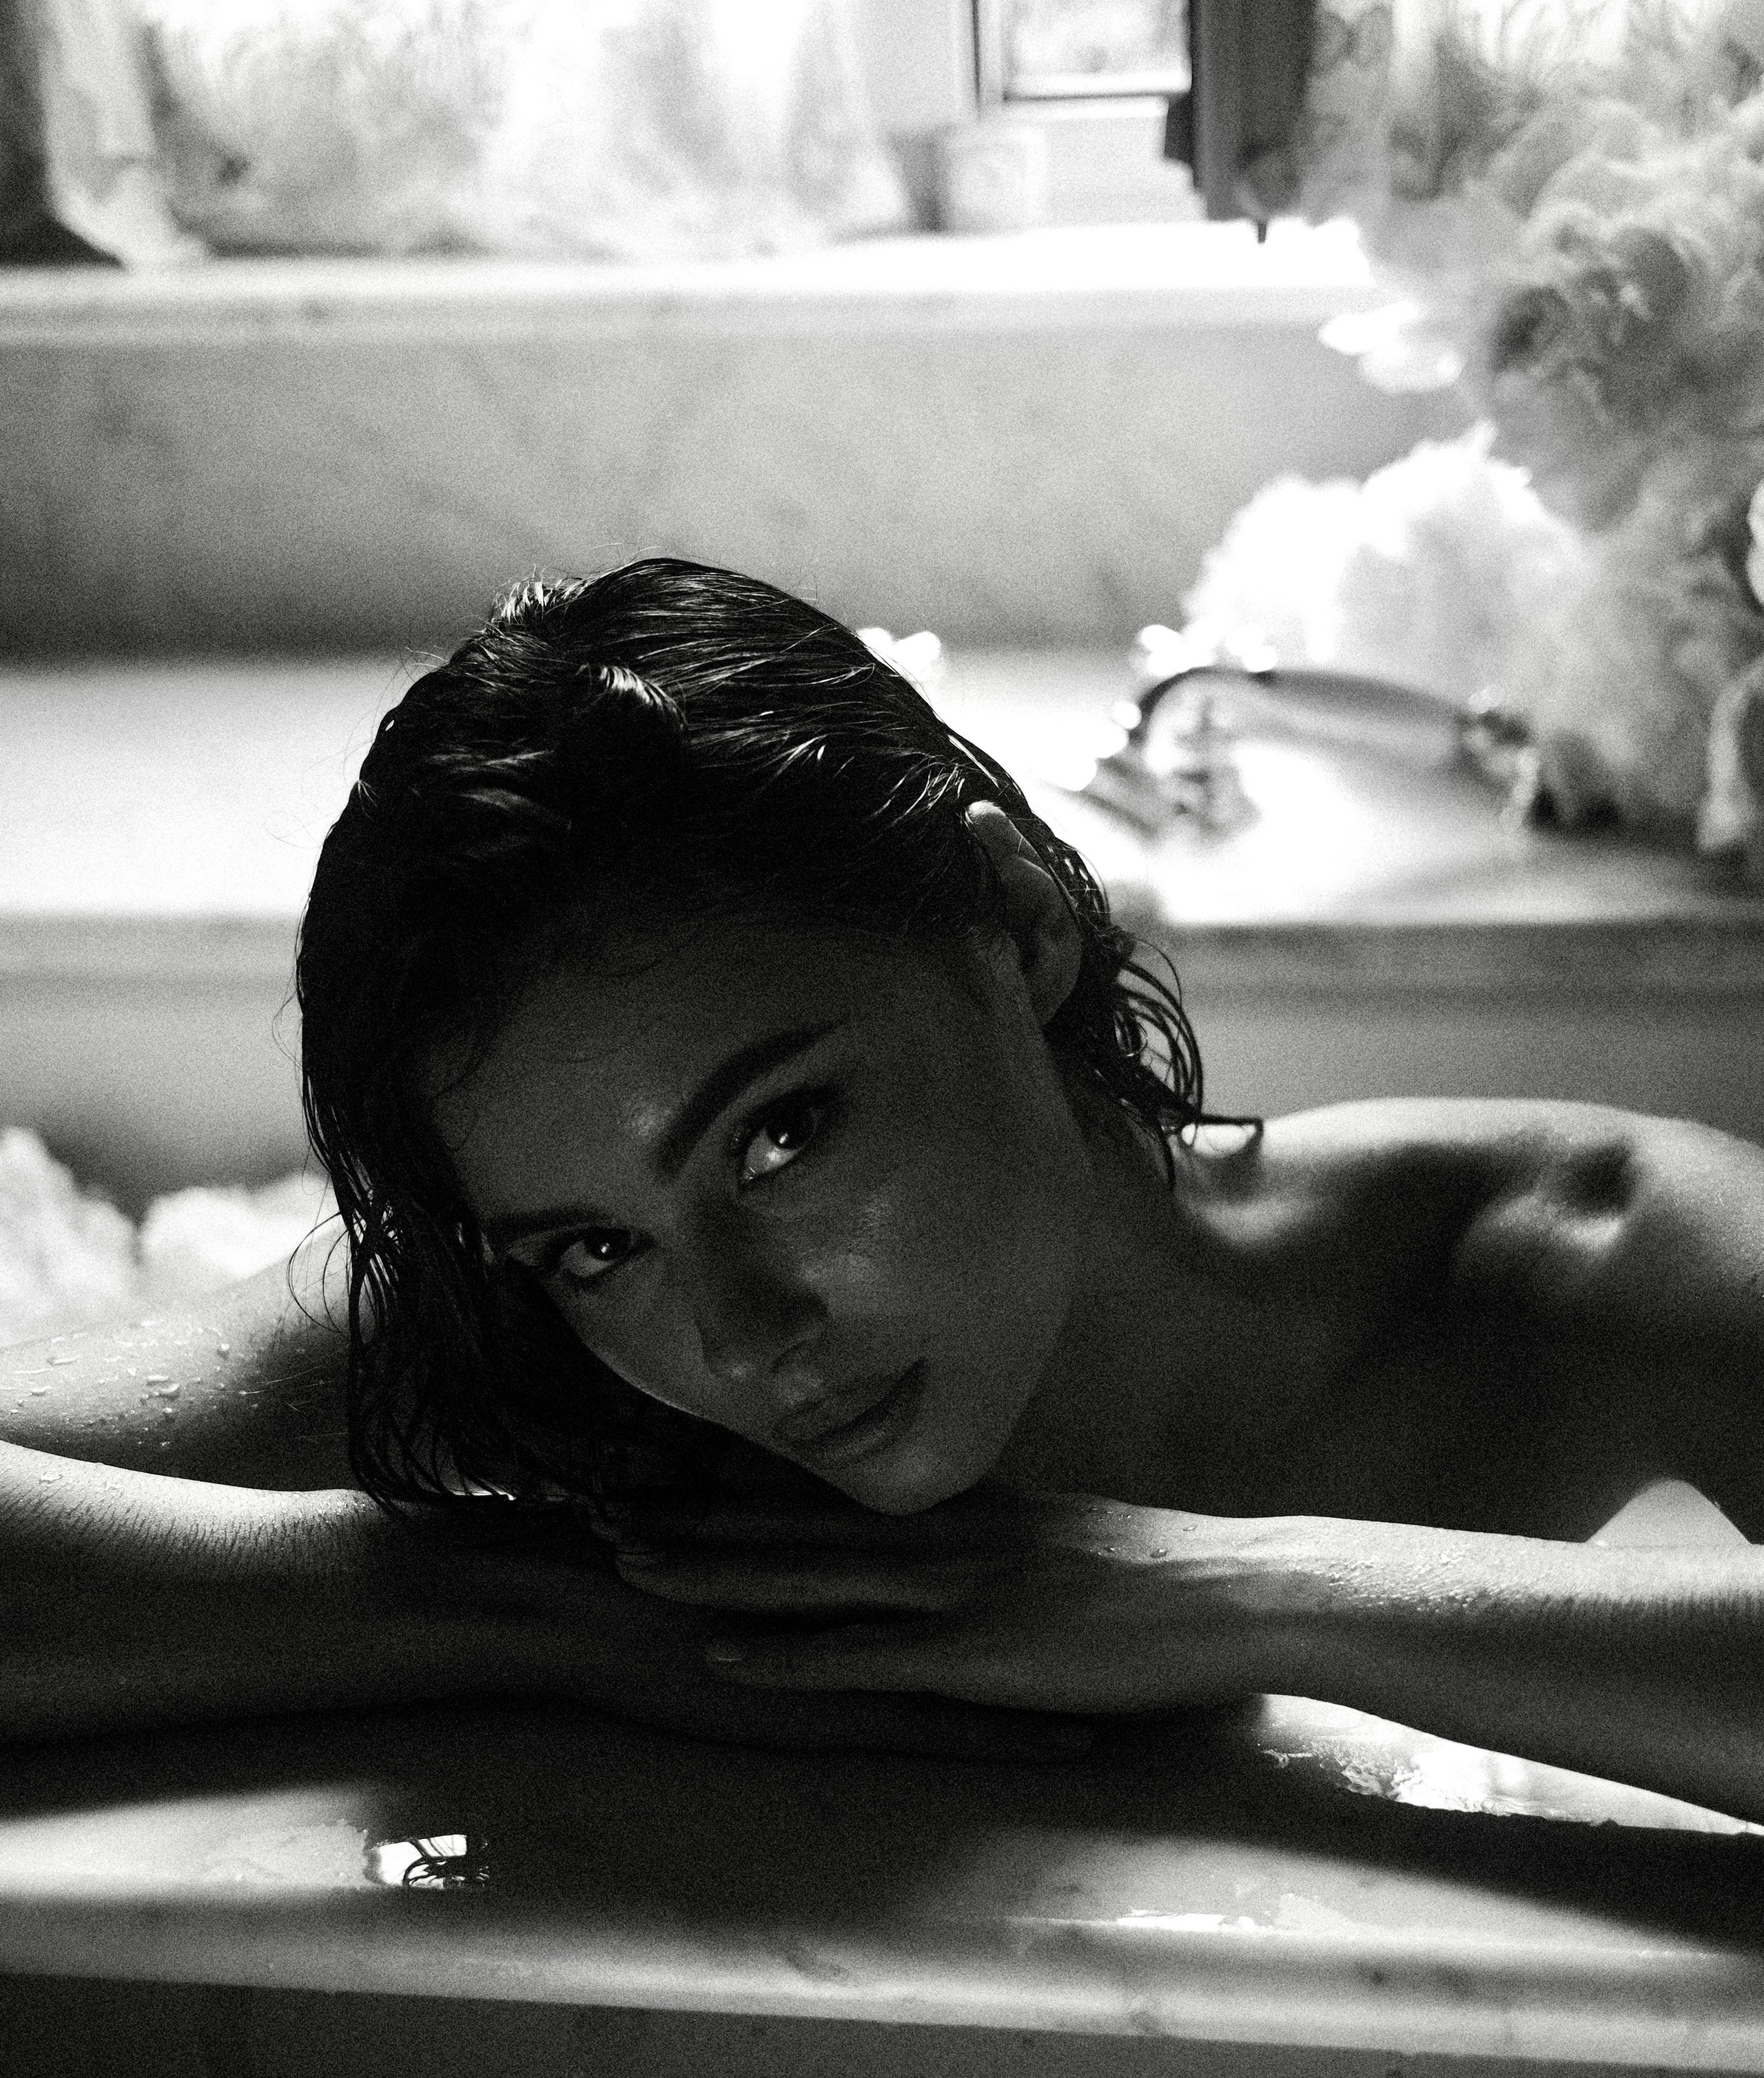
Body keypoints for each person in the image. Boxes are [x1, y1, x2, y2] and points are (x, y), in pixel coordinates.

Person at [4, 556, 1762, 1815]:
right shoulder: (536, 1348)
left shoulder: (1547, 1263)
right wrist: (526, 1606)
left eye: (777, 1138)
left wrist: (1219, 1592)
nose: (740, 1339)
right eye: (597, 1242)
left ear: (1016, 925)